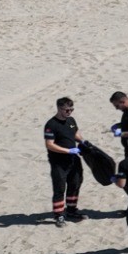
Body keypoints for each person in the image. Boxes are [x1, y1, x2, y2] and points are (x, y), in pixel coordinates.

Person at [43, 96, 86, 225]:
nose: (69, 112)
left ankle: (71, 210)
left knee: (75, 183)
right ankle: (59, 215)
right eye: (67, 110)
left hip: (73, 160)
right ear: (59, 108)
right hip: (59, 162)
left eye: (71, 110)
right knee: (59, 187)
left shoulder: (71, 120)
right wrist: (68, 151)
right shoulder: (51, 125)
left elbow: (75, 134)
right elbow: (49, 144)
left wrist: (83, 142)